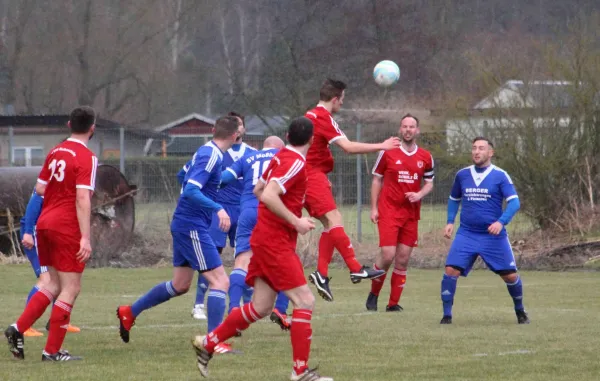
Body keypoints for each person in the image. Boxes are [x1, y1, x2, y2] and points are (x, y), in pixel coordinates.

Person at [192, 116, 333, 381]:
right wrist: (295, 221)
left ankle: (209, 343)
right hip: (274, 243)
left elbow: (259, 188)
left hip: (265, 237)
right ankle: (300, 372)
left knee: (260, 306)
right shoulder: (295, 161)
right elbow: (268, 194)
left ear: (288, 136)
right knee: (305, 300)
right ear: (312, 141)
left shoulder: (279, 157)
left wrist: (284, 211)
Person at [116, 116, 240, 354]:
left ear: (214, 130)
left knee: (180, 284)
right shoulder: (212, 155)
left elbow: (183, 177)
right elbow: (191, 189)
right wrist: (217, 208)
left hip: (187, 223)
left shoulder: (206, 152)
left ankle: (129, 312)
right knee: (220, 282)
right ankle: (213, 342)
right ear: (235, 136)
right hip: (192, 225)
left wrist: (222, 185)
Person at [5, 106, 98, 361]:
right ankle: (52, 351)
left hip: (43, 224)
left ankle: (17, 328)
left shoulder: (55, 151)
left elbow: (39, 188)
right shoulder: (87, 157)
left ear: (69, 125)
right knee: (71, 288)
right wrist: (85, 237)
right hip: (65, 227)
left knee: (51, 283)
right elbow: (82, 198)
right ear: (92, 128)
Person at [304, 78, 400, 302]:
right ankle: (355, 267)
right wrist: (382, 146)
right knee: (335, 219)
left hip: (309, 175)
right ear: (335, 99)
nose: (342, 104)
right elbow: (347, 147)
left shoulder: (309, 115)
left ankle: (321, 274)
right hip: (310, 176)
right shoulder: (323, 117)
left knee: (331, 223)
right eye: (342, 100)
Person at [439, 137, 530, 325]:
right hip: (467, 233)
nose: (476, 152)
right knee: (450, 270)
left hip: (492, 236)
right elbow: (454, 198)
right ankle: (446, 316)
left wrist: (501, 222)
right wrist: (450, 221)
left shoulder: (500, 175)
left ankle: (520, 311)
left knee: (510, 275)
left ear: (490, 152)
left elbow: (514, 202)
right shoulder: (462, 175)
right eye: (474, 148)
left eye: (481, 148)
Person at [220, 135, 291, 329]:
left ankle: (234, 309)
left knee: (242, 262)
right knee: (286, 262)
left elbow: (224, 179)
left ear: (263, 147)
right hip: (271, 214)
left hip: (248, 213)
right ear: (280, 147)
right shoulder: (284, 156)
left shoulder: (248, 158)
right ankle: (281, 309)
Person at [366, 114, 434, 312]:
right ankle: (374, 294)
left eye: (412, 127)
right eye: (405, 126)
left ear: (417, 130)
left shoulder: (426, 157)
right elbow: (377, 179)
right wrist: (373, 207)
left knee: (403, 258)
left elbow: (429, 183)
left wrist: (419, 194)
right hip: (388, 210)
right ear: (400, 129)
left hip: (410, 214)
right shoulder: (388, 152)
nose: (408, 130)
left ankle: (393, 303)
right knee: (388, 255)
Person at [192, 112, 255, 320]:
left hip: (243, 210)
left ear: (242, 130)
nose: (238, 129)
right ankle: (199, 304)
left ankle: (247, 304)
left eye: (240, 125)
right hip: (219, 210)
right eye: (234, 126)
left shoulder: (252, 153)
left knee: (245, 258)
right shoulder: (215, 152)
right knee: (212, 256)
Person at [20, 189, 82, 337]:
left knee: (64, 279)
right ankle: (25, 325)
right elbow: (35, 201)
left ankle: (57, 321)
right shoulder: (52, 176)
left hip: (53, 231)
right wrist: (28, 231)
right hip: (37, 232)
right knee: (46, 279)